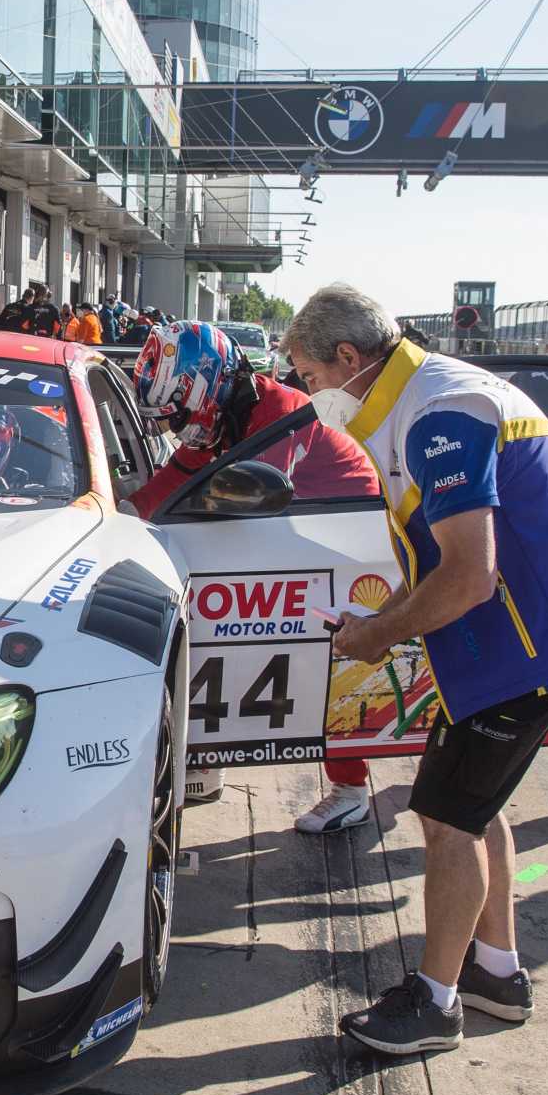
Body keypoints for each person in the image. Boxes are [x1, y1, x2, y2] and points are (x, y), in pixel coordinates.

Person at [285, 284, 548, 1054]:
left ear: (349, 358)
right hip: (535, 639)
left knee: (446, 821)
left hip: (537, 645)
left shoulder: (440, 413)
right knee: (478, 814)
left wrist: (380, 635)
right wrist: (384, 623)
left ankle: (435, 1003)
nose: (311, 394)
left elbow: (469, 575)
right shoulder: (423, 397)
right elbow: (442, 557)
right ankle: (497, 973)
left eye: (309, 376)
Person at [130, 321, 381, 829]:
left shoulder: (276, 413)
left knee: (330, 660)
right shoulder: (230, 412)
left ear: (200, 387)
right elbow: (174, 479)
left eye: (178, 413)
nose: (177, 427)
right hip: (307, 528)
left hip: (345, 536)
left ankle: (352, 788)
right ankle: (212, 756)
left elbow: (241, 502)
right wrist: (115, 515)